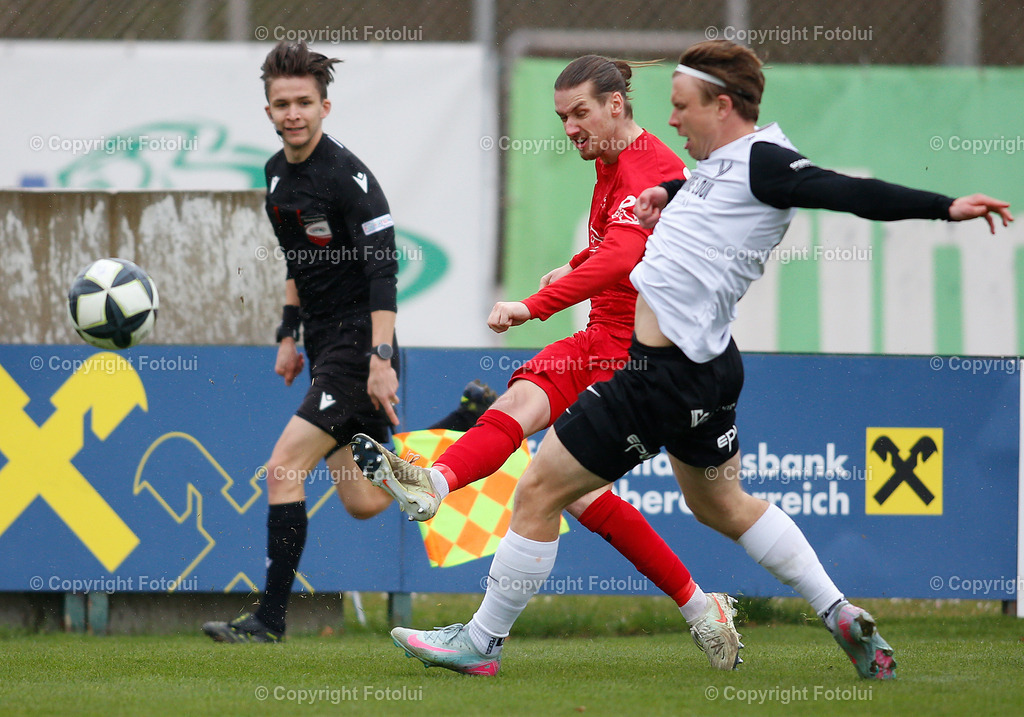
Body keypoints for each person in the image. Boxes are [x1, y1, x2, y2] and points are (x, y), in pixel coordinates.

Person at [370, 40, 1013, 679]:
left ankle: (481, 642)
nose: (671, 121)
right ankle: (836, 609)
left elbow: (840, 191)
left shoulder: (765, 163)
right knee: (722, 506)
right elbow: (702, 194)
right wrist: (669, 194)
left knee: (539, 490)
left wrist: (944, 207)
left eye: (681, 107)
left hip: (655, 375)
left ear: (722, 104)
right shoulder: (722, 164)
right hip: (711, 372)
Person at [351, 55, 742, 673]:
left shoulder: (654, 169)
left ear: (616, 105)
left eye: (579, 113)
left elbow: (620, 257)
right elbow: (615, 250)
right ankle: (434, 485)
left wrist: (533, 304)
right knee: (520, 412)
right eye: (562, 117)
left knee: (565, 493)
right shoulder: (612, 162)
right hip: (594, 341)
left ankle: (698, 608)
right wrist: (575, 263)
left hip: (634, 361)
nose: (569, 129)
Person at [202, 41, 406, 643]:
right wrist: (287, 336)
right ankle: (459, 426)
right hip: (321, 345)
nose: (293, 113)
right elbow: (297, 263)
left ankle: (269, 619)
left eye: (304, 103)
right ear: (268, 110)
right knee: (364, 501)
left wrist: (381, 358)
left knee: (282, 469)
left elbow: (383, 270)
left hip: (356, 347)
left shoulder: (347, 177)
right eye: (281, 103)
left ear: (325, 106)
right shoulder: (274, 177)